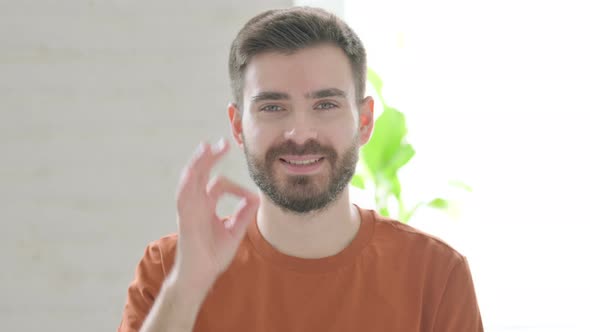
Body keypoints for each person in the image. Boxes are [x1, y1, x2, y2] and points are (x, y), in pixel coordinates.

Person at [118, 6, 483, 332]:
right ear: (238, 126)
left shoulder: (435, 275)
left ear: (365, 121)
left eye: (325, 104)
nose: (299, 133)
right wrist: (187, 288)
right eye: (273, 108)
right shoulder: (171, 270)